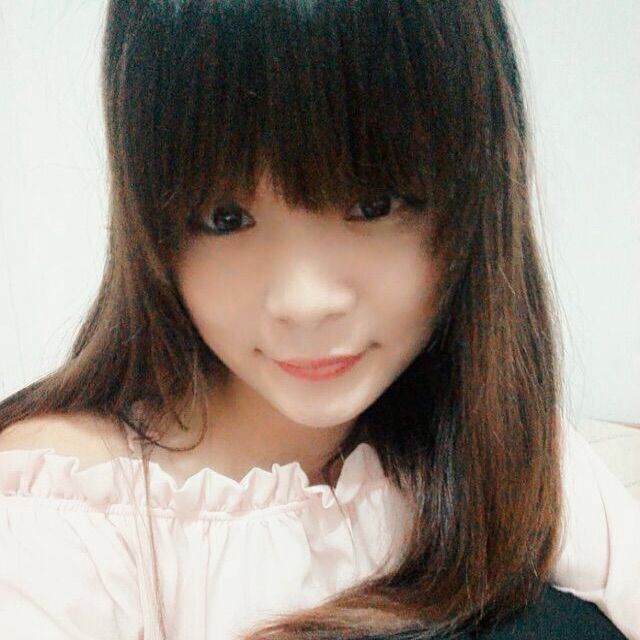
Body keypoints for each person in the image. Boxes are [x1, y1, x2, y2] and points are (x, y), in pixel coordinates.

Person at [0, 1, 638, 639]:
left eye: (373, 204)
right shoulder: (65, 522)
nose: (304, 303)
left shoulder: (508, 452)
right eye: (226, 218)